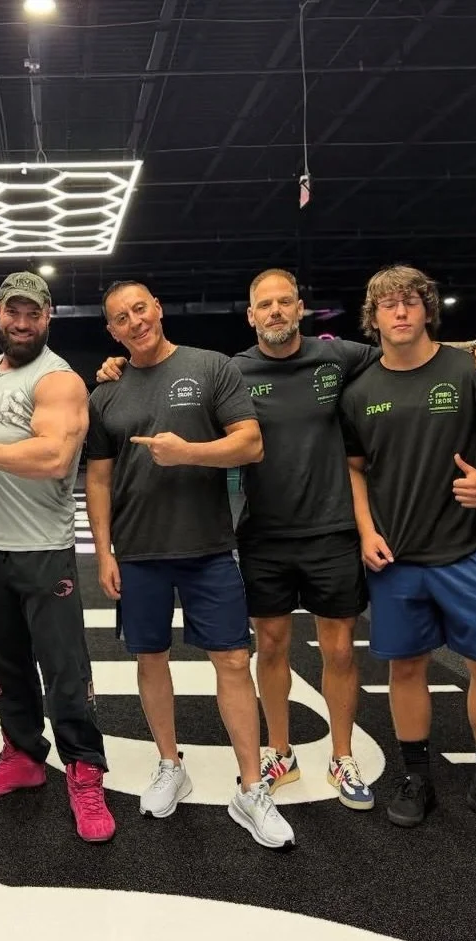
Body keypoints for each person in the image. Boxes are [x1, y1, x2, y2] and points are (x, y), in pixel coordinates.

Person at [94, 269, 476, 816]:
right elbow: (162, 389)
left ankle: (341, 753)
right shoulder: (233, 369)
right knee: (269, 646)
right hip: (263, 532)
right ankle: (280, 753)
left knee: (339, 649)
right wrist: (115, 365)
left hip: (333, 530)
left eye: (283, 301)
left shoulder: (339, 359)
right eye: (262, 304)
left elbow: (408, 344)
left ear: (299, 308)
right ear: (250, 316)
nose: (273, 311)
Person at [85, 280, 295, 850]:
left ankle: (252, 788)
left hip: (208, 548)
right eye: (121, 318)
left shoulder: (211, 367)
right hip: (137, 552)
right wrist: (103, 551)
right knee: (150, 658)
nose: (134, 321)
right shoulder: (104, 393)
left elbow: (250, 444)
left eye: (140, 308)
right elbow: (98, 480)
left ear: (158, 307)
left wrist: (188, 453)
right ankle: (170, 764)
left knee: (232, 660)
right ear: (112, 331)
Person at [339, 264, 476, 845]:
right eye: (388, 305)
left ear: (428, 310)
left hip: (469, 551)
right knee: (405, 668)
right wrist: (363, 530)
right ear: (373, 317)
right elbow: (354, 470)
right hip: (397, 560)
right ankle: (416, 778)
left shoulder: (471, 369)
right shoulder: (359, 392)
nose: (400, 313)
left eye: (411, 303)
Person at [0, 271, 115, 844]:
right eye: (13, 312)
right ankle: (22, 756)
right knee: (3, 666)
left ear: (49, 318)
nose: (22, 323)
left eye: (34, 314)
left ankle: (84, 773)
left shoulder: (59, 380)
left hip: (43, 551)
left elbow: (53, 457)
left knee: (64, 673)